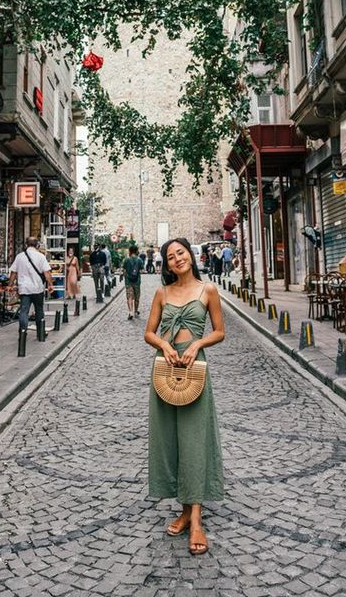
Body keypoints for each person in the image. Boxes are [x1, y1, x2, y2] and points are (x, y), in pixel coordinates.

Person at [144, 237, 225, 557]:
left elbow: (219, 331)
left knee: (193, 440)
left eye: (181, 253)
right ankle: (184, 509)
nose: (177, 259)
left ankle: (196, 522)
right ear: (166, 264)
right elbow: (149, 332)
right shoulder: (162, 293)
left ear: (190, 256)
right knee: (170, 441)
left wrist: (196, 345)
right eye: (171, 256)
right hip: (164, 369)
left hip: (195, 369)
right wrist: (164, 346)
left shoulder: (208, 291)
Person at [8, 237, 53, 336]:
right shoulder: (41, 256)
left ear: (26, 245)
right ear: (37, 245)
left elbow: (13, 272)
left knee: (24, 311)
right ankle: (40, 332)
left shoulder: (20, 256)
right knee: (39, 311)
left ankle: (23, 332)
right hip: (37, 288)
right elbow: (47, 272)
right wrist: (50, 284)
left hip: (24, 289)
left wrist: (10, 285)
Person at [122, 244, 143, 320]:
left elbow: (124, 271)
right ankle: (136, 310)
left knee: (129, 297)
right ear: (136, 251)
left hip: (128, 282)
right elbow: (141, 270)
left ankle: (130, 311)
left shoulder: (126, 260)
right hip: (137, 281)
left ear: (130, 251)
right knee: (137, 297)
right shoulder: (139, 260)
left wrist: (125, 277)